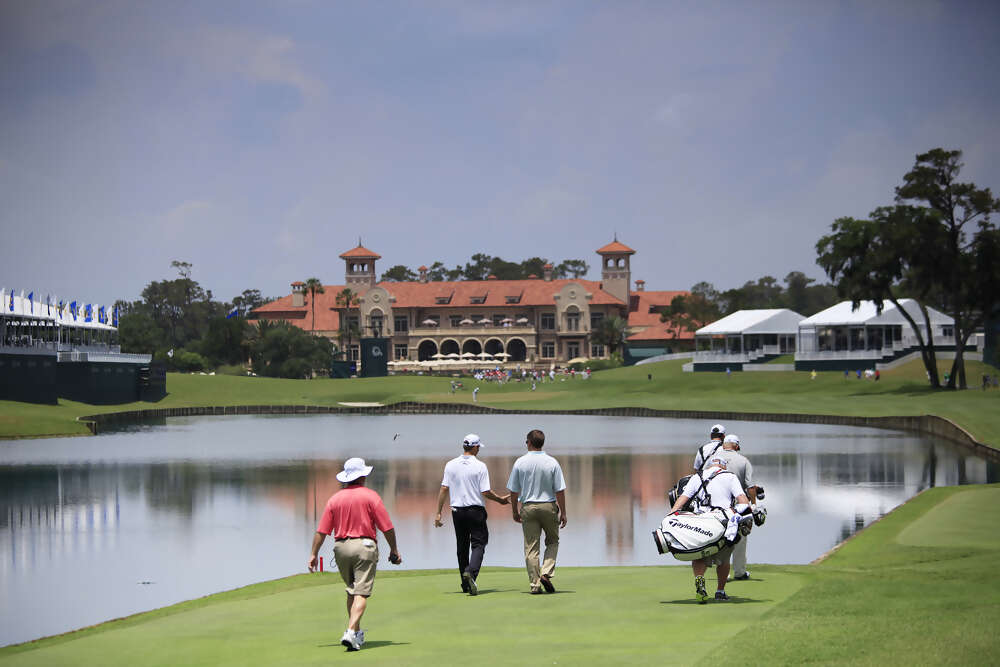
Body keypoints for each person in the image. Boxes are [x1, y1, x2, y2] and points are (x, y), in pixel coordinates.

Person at [308, 457, 401, 651]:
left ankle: (356, 635)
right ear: (363, 476)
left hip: (341, 548)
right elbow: (387, 527)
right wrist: (394, 549)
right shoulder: (371, 496)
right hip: (364, 547)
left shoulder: (334, 499)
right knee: (361, 593)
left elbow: (322, 531)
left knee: (352, 590)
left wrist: (313, 554)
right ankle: (350, 631)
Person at [434, 433, 510, 595]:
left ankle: (465, 584)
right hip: (475, 511)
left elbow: (444, 488)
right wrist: (500, 500)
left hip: (457, 512)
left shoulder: (450, 464)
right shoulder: (480, 466)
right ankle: (470, 572)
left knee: (462, 547)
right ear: (475, 447)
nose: (479, 450)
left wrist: (438, 513)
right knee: (479, 544)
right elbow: (485, 492)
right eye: (478, 447)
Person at [669, 456, 750, 603]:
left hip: (700, 521)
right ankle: (720, 591)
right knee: (724, 559)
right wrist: (744, 513)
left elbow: (683, 498)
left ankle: (699, 578)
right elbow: (742, 500)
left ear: (709, 465)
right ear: (723, 466)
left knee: (699, 554)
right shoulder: (730, 476)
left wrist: (671, 514)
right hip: (722, 521)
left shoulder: (697, 476)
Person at [507, 429, 567, 594]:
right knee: (552, 541)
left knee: (531, 547)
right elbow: (560, 490)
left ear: (529, 443)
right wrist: (564, 512)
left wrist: (514, 511)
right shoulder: (552, 462)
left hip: (528, 507)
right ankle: (546, 573)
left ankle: (535, 584)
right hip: (548, 506)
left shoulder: (520, 462)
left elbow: (514, 491)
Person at [701, 434, 757, 581]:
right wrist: (754, 505)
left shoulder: (712, 459)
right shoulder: (743, 461)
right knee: (740, 537)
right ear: (736, 446)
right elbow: (750, 487)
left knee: (719, 536)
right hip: (739, 504)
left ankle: (720, 570)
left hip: (715, 505)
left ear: (724, 444)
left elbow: (701, 478)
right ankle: (739, 571)